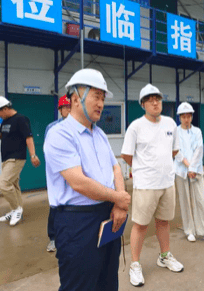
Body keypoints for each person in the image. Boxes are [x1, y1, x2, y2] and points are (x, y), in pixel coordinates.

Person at [44, 68, 130, 291]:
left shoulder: (99, 134)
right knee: (80, 285)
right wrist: (119, 198)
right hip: (77, 224)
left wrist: (119, 203)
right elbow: (78, 182)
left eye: (103, 98)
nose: (101, 103)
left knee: (108, 281)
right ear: (75, 99)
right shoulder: (60, 134)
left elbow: (116, 168)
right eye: (96, 96)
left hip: (109, 216)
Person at [121, 84, 183, 287]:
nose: (155, 102)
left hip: (167, 182)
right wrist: (144, 169)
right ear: (143, 104)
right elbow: (127, 155)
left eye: (157, 98)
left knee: (164, 222)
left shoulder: (170, 124)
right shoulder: (136, 127)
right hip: (145, 185)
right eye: (150, 99)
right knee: (140, 224)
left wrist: (161, 166)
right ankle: (135, 264)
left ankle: (164, 256)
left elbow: (173, 151)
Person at [0, 96, 41, 226]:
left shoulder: (20, 119)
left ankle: (16, 209)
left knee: (4, 184)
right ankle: (15, 210)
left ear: (5, 108)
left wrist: (33, 155)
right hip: (5, 158)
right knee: (14, 185)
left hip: (16, 158)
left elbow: (28, 137)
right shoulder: (5, 122)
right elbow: (2, 136)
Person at [174, 102, 204, 244]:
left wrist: (192, 168)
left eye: (188, 116)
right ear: (180, 117)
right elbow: (176, 151)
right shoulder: (176, 132)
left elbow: (199, 150)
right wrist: (187, 167)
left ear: (192, 117)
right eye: (183, 116)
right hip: (181, 170)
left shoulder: (197, 131)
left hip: (196, 170)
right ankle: (189, 230)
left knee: (200, 200)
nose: (186, 119)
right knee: (185, 200)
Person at [44, 95, 71, 253]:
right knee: (56, 206)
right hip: (58, 174)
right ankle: (53, 238)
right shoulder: (52, 128)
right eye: (65, 107)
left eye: (70, 107)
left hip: (75, 175)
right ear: (60, 110)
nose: (68, 110)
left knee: (73, 206)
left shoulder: (79, 126)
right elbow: (48, 152)